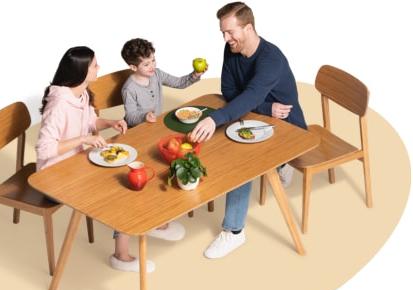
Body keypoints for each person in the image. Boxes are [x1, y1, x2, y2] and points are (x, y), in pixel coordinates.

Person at [188, 2, 307, 259]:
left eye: (230, 32)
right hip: (258, 116)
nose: (226, 38)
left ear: (249, 27)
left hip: (289, 128)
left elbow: (249, 95)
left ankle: (234, 231)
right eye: (222, 33)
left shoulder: (271, 59)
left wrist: (215, 119)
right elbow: (230, 92)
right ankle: (279, 167)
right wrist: (265, 108)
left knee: (240, 161)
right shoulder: (232, 50)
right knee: (222, 143)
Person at [36, 47, 160, 273]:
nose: (98, 68)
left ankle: (152, 224)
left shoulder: (81, 94)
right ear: (81, 71)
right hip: (53, 176)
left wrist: (111, 123)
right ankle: (121, 255)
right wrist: (83, 139)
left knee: (130, 173)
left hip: (76, 164)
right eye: (94, 65)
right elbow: (45, 149)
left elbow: (91, 121)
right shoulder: (59, 105)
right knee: (120, 188)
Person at [105, 38, 208, 273]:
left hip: (157, 134)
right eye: (146, 64)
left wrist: (194, 74)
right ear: (133, 67)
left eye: (153, 60)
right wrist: (145, 117)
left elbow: (180, 83)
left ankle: (159, 223)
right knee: (138, 186)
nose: (152, 66)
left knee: (164, 173)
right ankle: (122, 251)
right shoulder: (129, 88)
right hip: (136, 138)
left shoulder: (157, 74)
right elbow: (130, 117)